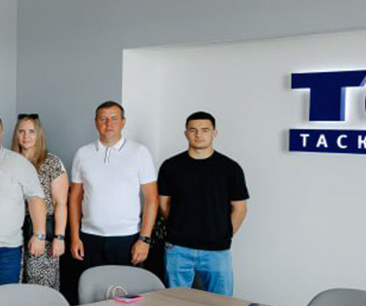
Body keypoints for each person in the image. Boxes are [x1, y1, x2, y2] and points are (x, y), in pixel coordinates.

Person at [158, 112, 249, 295]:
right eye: (193, 130)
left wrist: (222, 234)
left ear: (214, 133)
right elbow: (164, 204)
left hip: (216, 250)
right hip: (178, 248)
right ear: (186, 133)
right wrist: (180, 227)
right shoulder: (170, 166)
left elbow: (240, 208)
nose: (199, 135)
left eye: (205, 130)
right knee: (174, 303)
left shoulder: (230, 168)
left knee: (221, 304)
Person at [69, 101, 158, 271]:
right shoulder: (82, 153)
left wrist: (144, 239)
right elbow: (74, 198)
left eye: (114, 118)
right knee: (91, 285)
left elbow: (151, 198)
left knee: (124, 286)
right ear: (96, 122)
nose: (108, 124)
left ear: (123, 122)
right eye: (103, 119)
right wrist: (75, 237)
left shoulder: (139, 152)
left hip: (127, 237)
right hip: (89, 237)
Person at [0, 113, 46, 291]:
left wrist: (39, 235)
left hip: (6, 250)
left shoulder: (19, 163)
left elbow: (36, 199)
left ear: (1, 134)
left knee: (3, 301)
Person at [12, 113, 69, 291]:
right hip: (14, 234)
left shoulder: (52, 162)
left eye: (31, 131)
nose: (26, 136)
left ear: (39, 134)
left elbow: (61, 203)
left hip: (44, 234)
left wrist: (59, 237)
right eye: (21, 131)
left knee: (40, 287)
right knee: (15, 286)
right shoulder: (11, 161)